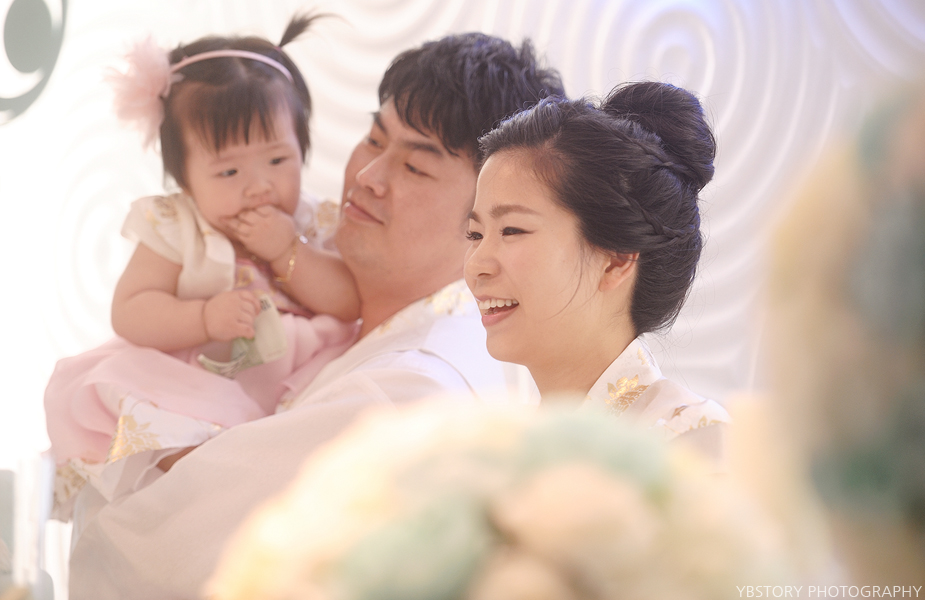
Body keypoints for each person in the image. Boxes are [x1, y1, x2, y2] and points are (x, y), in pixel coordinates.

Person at [66, 32, 565, 599]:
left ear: (489, 212)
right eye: (374, 138)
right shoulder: (366, 314)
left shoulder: (403, 395)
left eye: (414, 167)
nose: (369, 175)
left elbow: (147, 551)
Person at [44, 15, 363, 522]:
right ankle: (191, 498)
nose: (258, 185)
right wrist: (204, 318)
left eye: (277, 161)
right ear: (186, 179)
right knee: (162, 424)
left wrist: (288, 250)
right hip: (204, 373)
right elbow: (131, 310)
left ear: (302, 148)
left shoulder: (310, 221)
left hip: (297, 369)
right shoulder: (178, 226)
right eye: (229, 170)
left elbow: (349, 300)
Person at [464, 82, 730, 459]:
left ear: (616, 259)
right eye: (475, 234)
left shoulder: (688, 444)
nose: (476, 265)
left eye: (512, 230)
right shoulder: (499, 447)